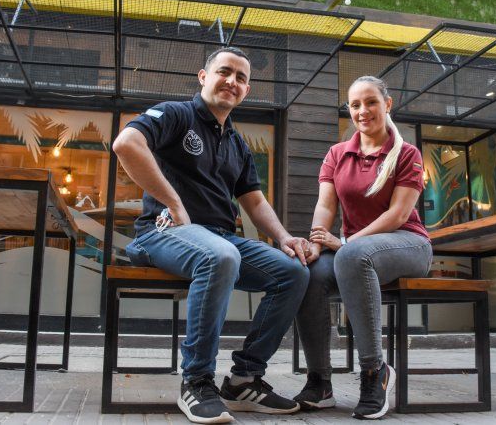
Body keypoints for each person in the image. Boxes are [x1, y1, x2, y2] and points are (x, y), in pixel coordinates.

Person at [112, 47, 310, 424]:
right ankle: (196, 380)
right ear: (204, 76)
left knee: (294, 272)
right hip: (163, 232)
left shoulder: (237, 144)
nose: (231, 81)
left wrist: (284, 237)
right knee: (220, 256)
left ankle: (243, 380)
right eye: (224, 72)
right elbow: (126, 144)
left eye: (241, 78)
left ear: (246, 90)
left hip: (221, 237)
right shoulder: (176, 114)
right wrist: (173, 202)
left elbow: (254, 200)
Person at [293, 76, 432, 420]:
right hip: (353, 252)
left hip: (407, 244)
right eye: (355, 105)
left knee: (354, 256)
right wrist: (316, 244)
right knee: (306, 273)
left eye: (371, 102)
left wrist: (345, 243)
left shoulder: (407, 154)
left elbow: (398, 215)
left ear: (387, 104)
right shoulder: (337, 154)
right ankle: (320, 381)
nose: (362, 111)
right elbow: (325, 206)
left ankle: (374, 372)